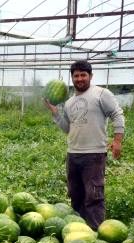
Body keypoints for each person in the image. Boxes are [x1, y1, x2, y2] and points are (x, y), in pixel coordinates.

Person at [44, 60, 125, 230]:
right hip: (73, 154)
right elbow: (68, 128)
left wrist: (117, 140)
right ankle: (78, 230)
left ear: (90, 76)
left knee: (94, 196)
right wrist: (56, 113)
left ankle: (96, 231)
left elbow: (117, 114)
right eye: (76, 76)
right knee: (76, 195)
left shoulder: (101, 94)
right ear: (72, 78)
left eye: (83, 75)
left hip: (94, 154)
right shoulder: (69, 102)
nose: (79, 79)